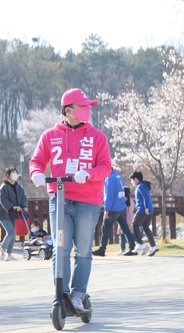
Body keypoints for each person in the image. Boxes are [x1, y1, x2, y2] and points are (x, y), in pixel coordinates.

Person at [29, 87, 112, 312]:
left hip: (88, 201)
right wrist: (36, 173)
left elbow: (106, 166)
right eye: (82, 106)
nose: (86, 110)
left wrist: (90, 173)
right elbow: (36, 160)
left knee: (83, 249)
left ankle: (78, 293)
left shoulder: (97, 136)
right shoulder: (50, 135)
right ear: (68, 110)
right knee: (60, 247)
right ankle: (61, 293)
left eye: (87, 107)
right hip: (60, 198)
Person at [92, 169, 137, 256]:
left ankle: (102, 249)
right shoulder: (118, 177)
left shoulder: (110, 179)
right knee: (126, 229)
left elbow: (109, 196)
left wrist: (106, 209)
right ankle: (132, 247)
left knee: (105, 228)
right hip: (121, 207)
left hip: (113, 208)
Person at [0, 167, 28, 261]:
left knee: (13, 233)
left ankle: (9, 254)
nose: (15, 174)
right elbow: (2, 200)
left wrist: (24, 206)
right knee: (11, 232)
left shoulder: (19, 187)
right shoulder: (3, 187)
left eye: (16, 172)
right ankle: (2, 249)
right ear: (8, 175)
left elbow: (23, 198)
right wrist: (13, 207)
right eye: (13, 172)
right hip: (4, 214)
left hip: (14, 214)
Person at [129, 171, 158, 256]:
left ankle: (140, 244)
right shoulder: (143, 186)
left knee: (134, 225)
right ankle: (153, 247)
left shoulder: (140, 186)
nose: (132, 182)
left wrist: (146, 208)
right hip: (148, 210)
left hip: (143, 210)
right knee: (146, 228)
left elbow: (146, 198)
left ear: (136, 179)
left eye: (132, 180)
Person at [116, 186, 136, 255]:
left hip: (124, 218)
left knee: (122, 235)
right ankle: (134, 248)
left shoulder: (122, 199)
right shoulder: (131, 200)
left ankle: (122, 249)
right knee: (131, 234)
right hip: (131, 218)